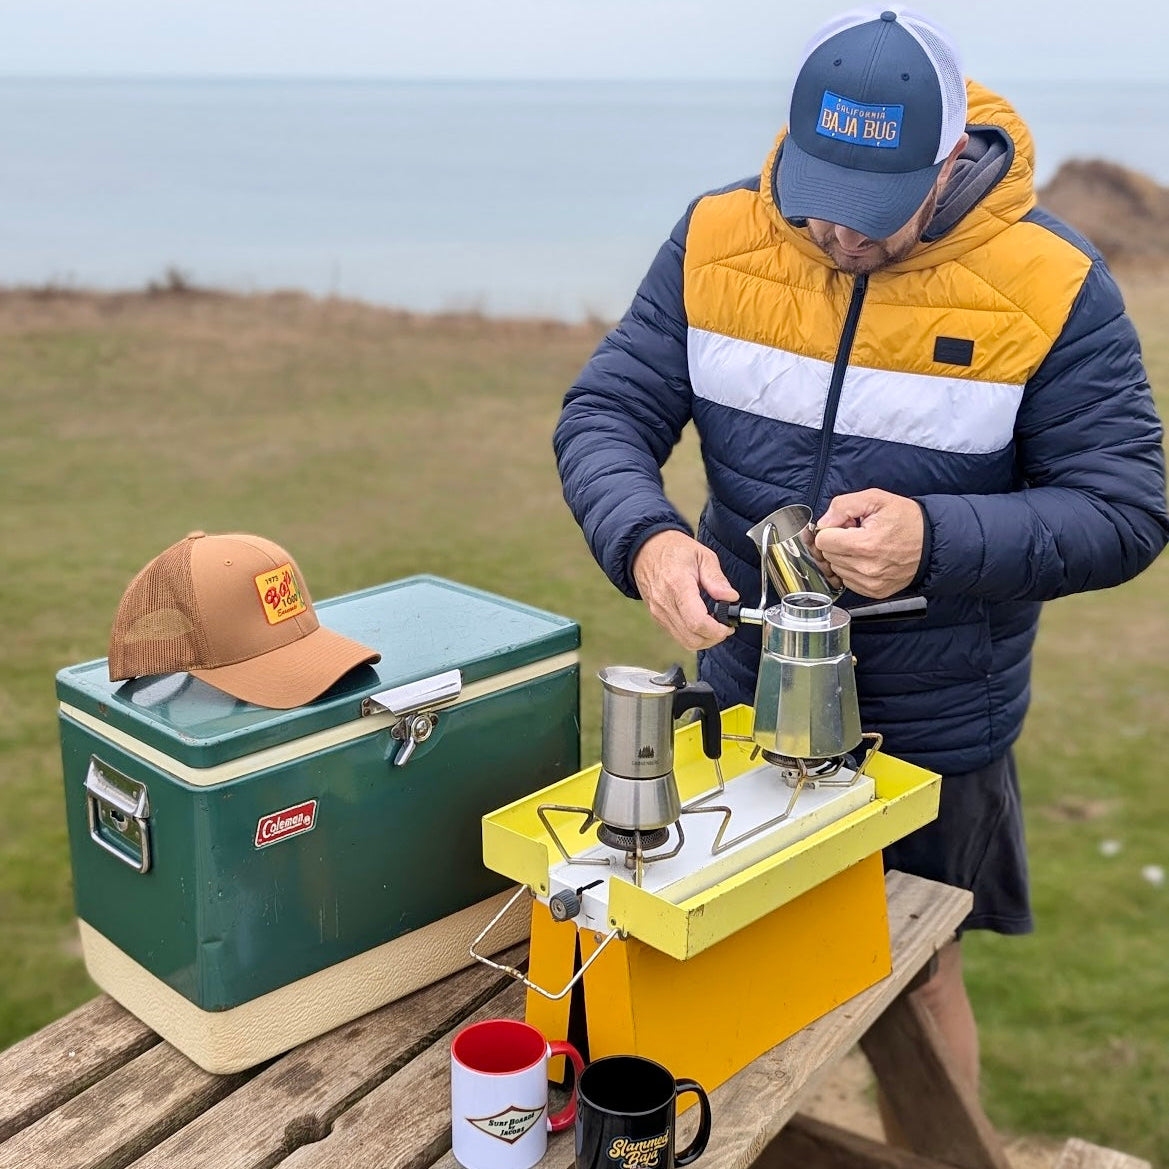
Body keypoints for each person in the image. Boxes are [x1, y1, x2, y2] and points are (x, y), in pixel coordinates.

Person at [553, 4, 1169, 1124]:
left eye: (874, 214)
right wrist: (643, 535)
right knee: (728, 943)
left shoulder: (1054, 284)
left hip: (937, 713)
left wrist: (934, 537)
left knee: (916, 968)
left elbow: (1123, 511)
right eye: (818, 203)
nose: (840, 237)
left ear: (945, 162)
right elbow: (605, 410)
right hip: (745, 685)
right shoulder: (712, 235)